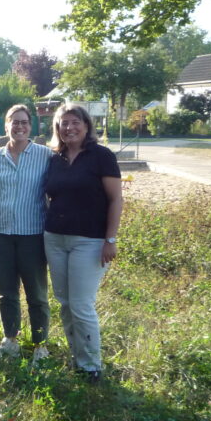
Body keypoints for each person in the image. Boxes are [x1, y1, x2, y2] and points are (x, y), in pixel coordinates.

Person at [44, 103, 123, 384]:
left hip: (89, 241)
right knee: (65, 303)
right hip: (54, 238)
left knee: (81, 304)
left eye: (75, 122)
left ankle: (91, 366)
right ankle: (76, 357)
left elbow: (115, 199)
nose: (69, 128)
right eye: (63, 123)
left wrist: (110, 239)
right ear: (57, 129)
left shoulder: (101, 156)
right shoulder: (55, 158)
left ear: (87, 126)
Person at [0, 105, 51, 361]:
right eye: (14, 122)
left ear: (30, 126)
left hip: (32, 234)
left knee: (36, 292)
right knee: (6, 291)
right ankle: (10, 339)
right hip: (0, 234)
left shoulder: (44, 156)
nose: (19, 127)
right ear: (6, 125)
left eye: (24, 122)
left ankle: (40, 345)